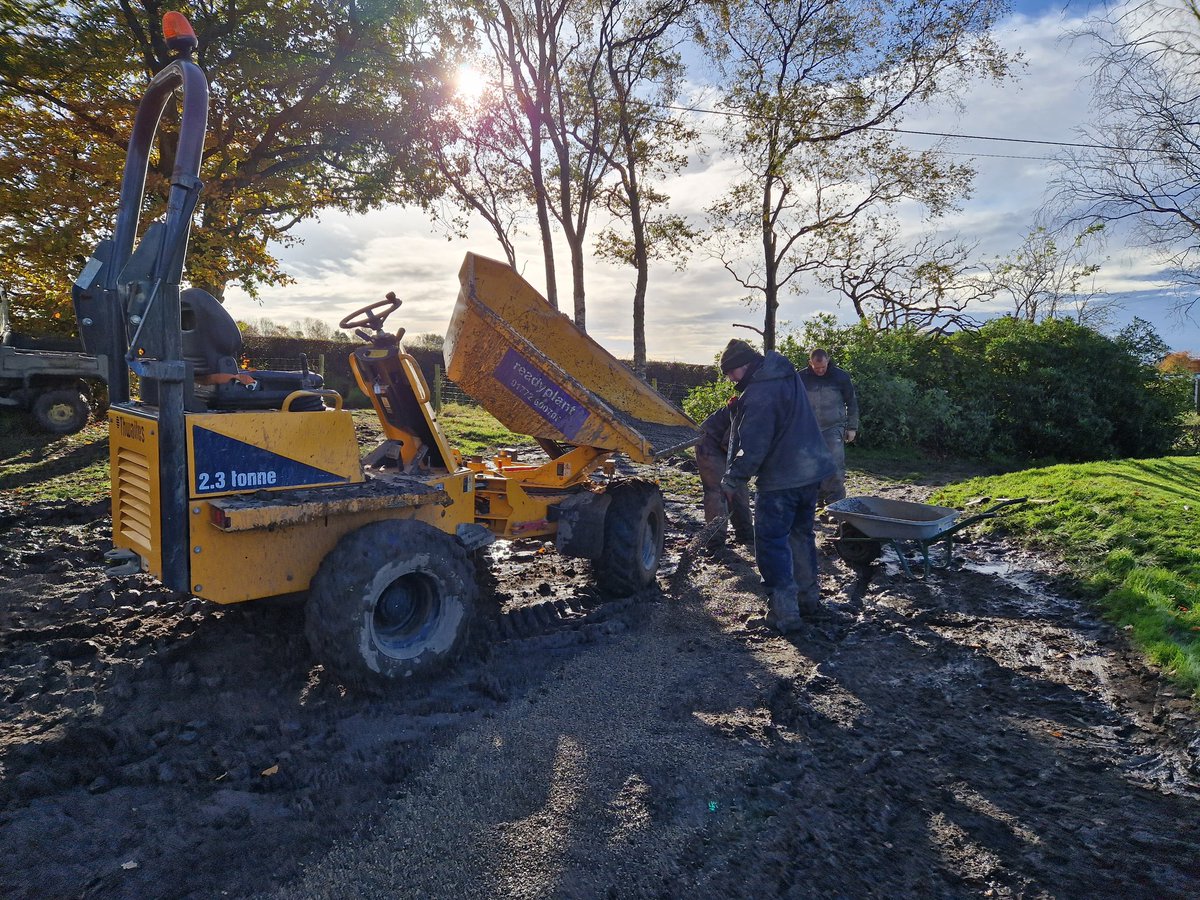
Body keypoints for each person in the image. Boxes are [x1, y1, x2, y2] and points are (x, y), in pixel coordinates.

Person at [717, 338, 837, 633]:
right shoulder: (787, 376)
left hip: (782, 479)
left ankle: (784, 614)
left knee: (771, 543)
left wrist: (734, 478)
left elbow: (755, 444)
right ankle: (808, 602)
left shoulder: (760, 392)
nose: (731, 379)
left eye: (731, 372)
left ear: (745, 365)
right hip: (811, 473)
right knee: (801, 537)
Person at [799, 349, 859, 506]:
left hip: (833, 426)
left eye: (823, 367)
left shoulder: (840, 376)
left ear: (828, 361)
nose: (820, 370)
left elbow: (851, 402)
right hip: (809, 428)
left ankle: (835, 502)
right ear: (810, 363)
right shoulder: (801, 377)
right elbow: (794, 402)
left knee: (835, 464)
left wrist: (852, 427)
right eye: (816, 367)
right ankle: (815, 500)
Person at [695, 396, 754, 547]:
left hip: (731, 445)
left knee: (738, 485)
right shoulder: (755, 410)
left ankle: (745, 533)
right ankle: (714, 538)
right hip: (710, 441)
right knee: (717, 488)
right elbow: (729, 443)